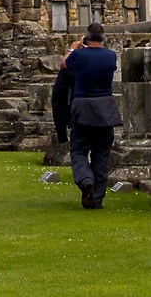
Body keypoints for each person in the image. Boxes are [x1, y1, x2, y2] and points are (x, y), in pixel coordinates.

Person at [50, 22, 121, 208]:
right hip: (105, 109)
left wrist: (73, 49)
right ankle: (96, 199)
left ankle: (85, 180)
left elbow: (63, 64)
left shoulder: (79, 56)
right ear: (103, 38)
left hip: (83, 107)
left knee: (79, 150)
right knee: (101, 155)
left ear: (87, 37)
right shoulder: (111, 56)